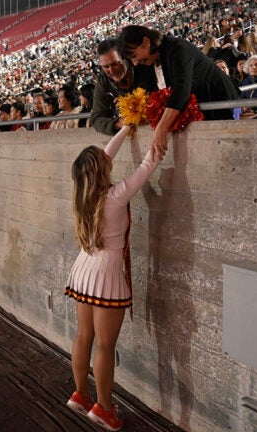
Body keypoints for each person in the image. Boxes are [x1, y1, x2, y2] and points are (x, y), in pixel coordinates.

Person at [64, 125, 166, 431]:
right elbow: (149, 163)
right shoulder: (116, 195)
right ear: (101, 171)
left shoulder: (82, 194)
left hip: (83, 268)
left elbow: (105, 156)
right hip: (106, 275)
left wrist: (126, 127)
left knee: (84, 336)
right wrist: (162, 130)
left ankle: (81, 394)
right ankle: (105, 408)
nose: (109, 159)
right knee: (105, 346)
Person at [117, 25, 240, 157]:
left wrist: (161, 129)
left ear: (146, 42)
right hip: (202, 115)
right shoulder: (148, 63)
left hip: (221, 107)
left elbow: (181, 91)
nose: (135, 63)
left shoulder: (177, 48)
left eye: (134, 56)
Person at [91, 39, 157, 136]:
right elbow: (96, 119)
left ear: (125, 57)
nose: (111, 71)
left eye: (115, 64)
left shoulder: (143, 66)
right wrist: (118, 123)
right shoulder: (103, 81)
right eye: (106, 67)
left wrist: (136, 105)